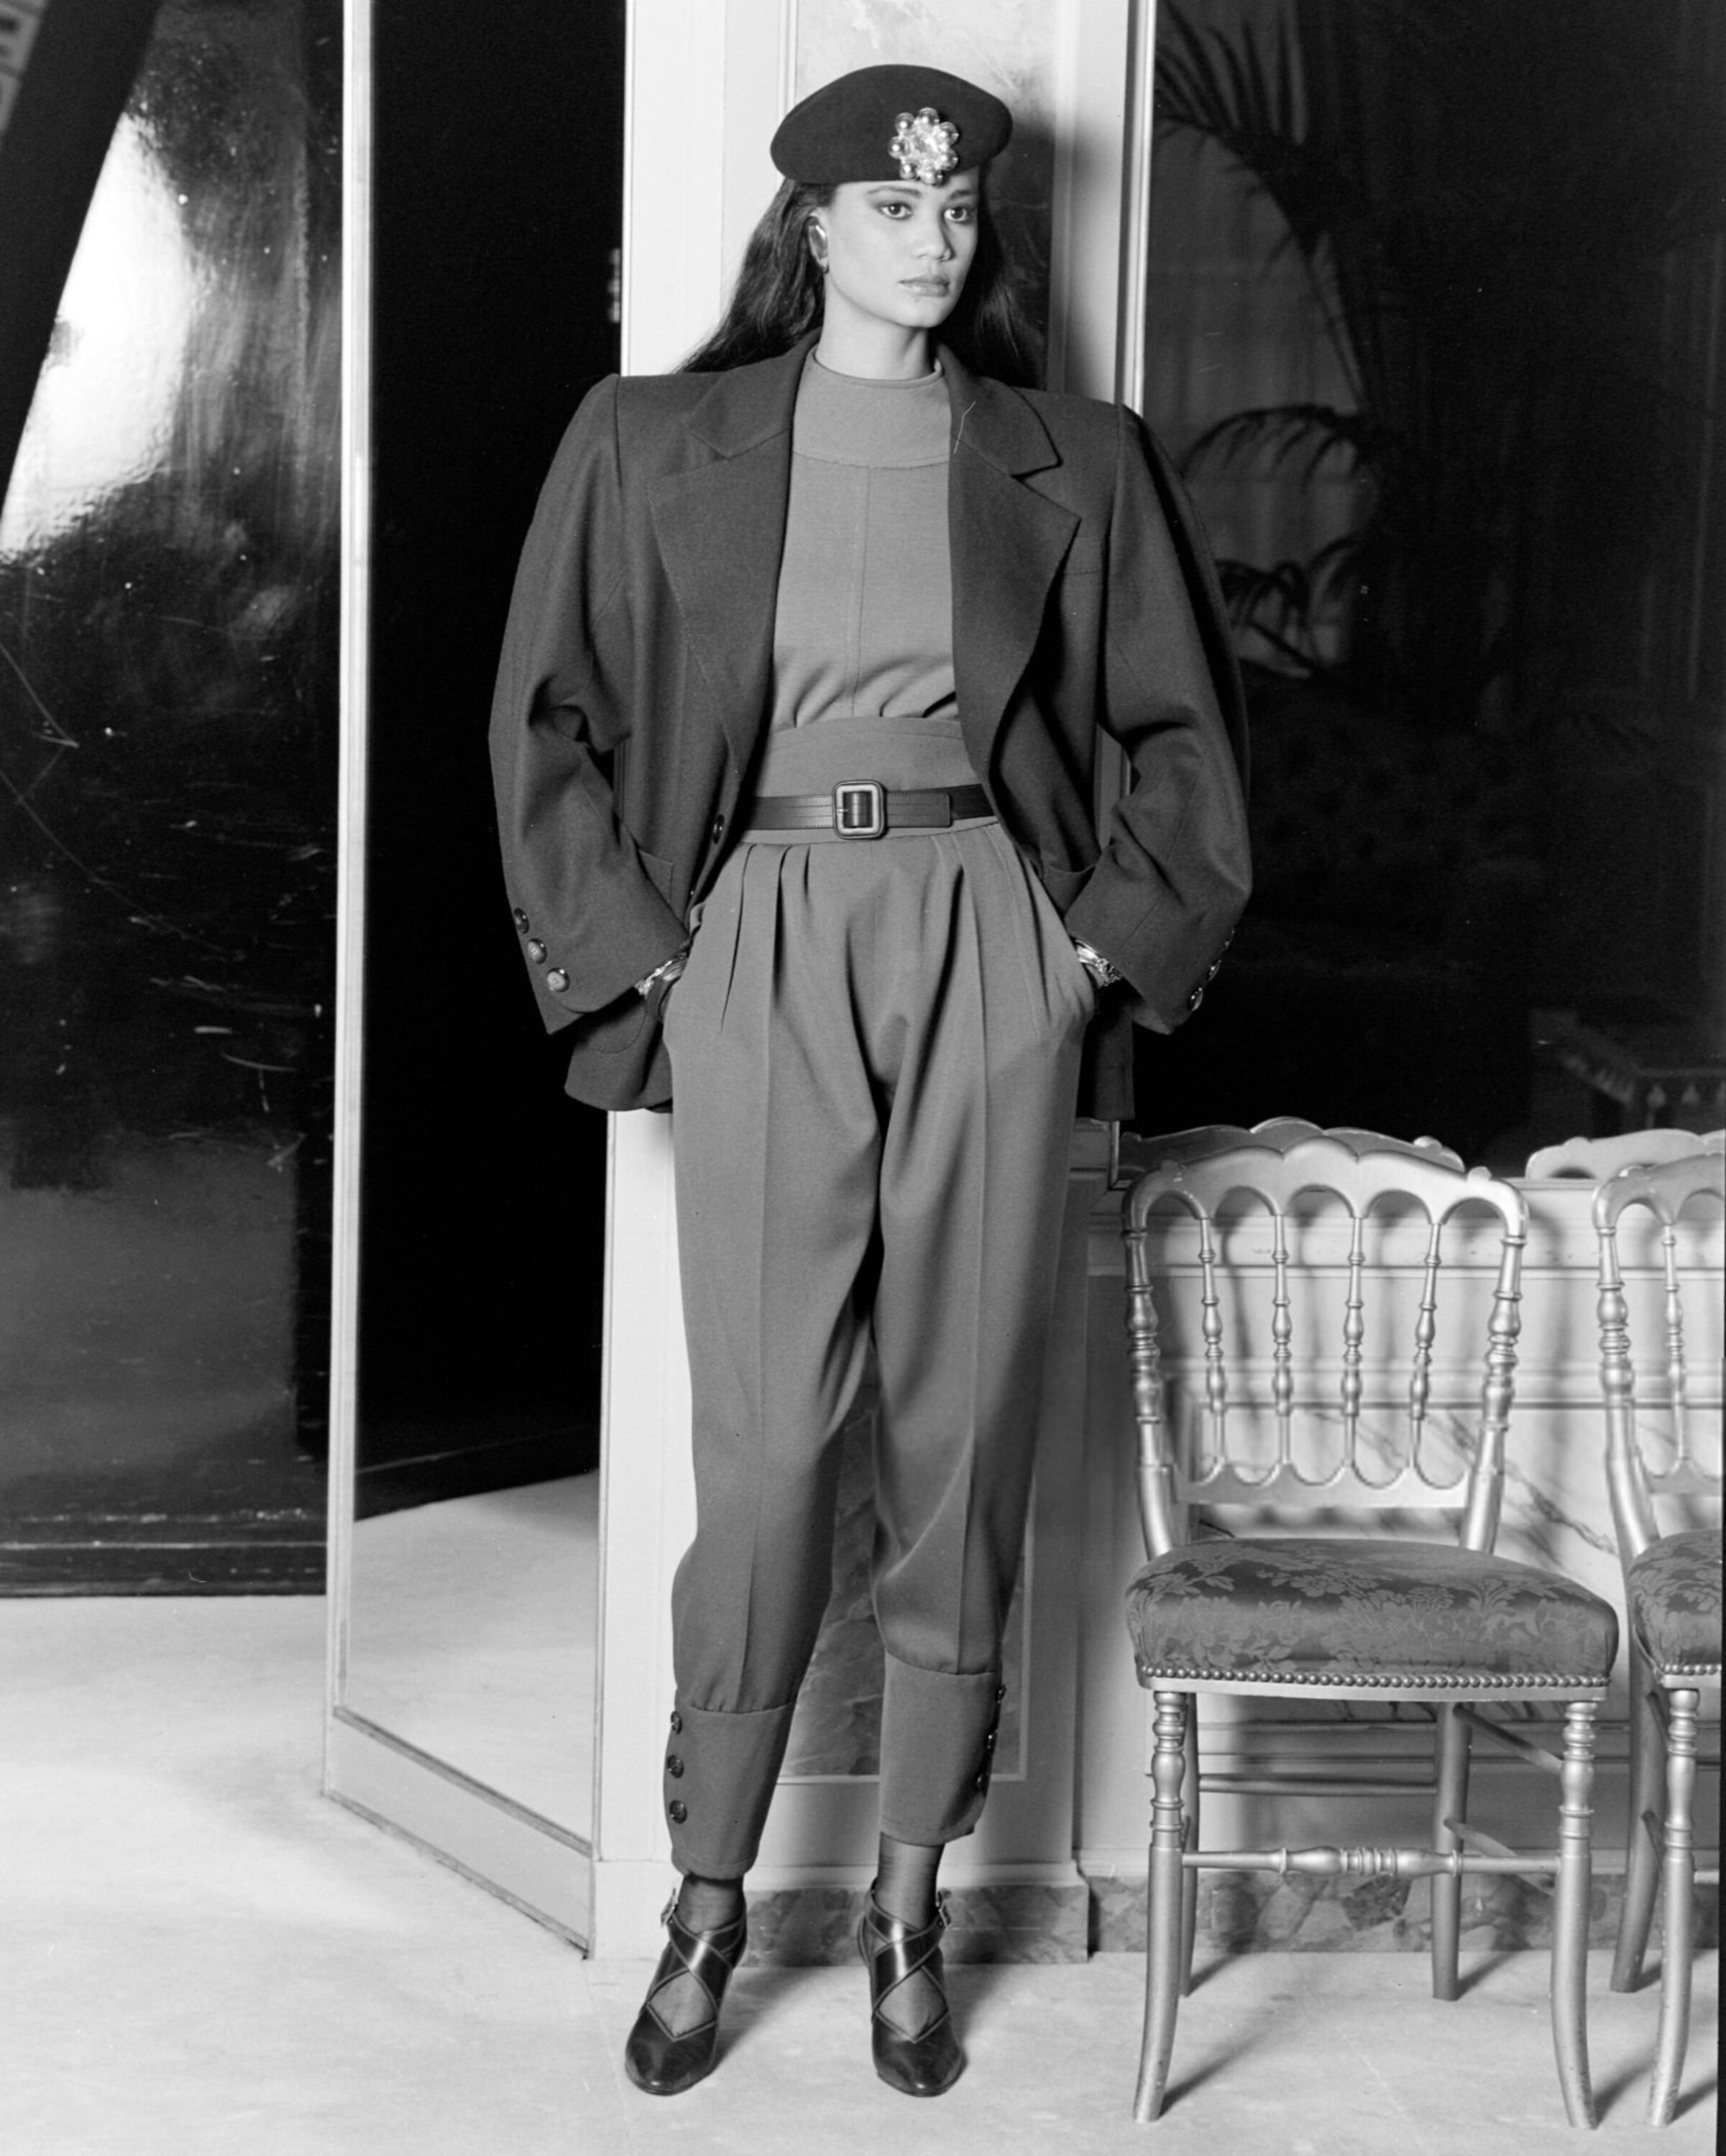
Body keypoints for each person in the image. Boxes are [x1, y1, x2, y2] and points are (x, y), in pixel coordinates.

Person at [489, 63, 1250, 2101]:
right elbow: (544, 722)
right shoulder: (650, 436)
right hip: (755, 933)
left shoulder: (1074, 457)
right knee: (762, 1459)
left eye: (957, 209)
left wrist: (1082, 959)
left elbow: (1185, 742)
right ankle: (707, 1899)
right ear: (811, 228)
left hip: (990, 935)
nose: (934, 239)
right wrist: (658, 962)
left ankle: (912, 1901)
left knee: (960, 1439)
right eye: (893, 207)